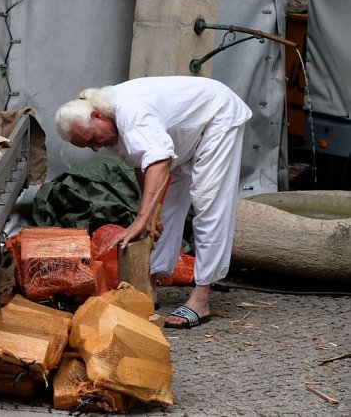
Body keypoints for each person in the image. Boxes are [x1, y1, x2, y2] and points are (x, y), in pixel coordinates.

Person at [54, 76, 252, 329]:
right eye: (87, 145)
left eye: (92, 139)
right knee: (161, 209)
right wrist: (149, 215)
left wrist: (140, 220)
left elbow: (158, 162)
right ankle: (150, 286)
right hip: (188, 133)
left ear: (97, 116)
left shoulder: (130, 112)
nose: (94, 148)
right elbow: (143, 164)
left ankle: (201, 299)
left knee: (207, 200)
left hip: (218, 115)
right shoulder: (111, 123)